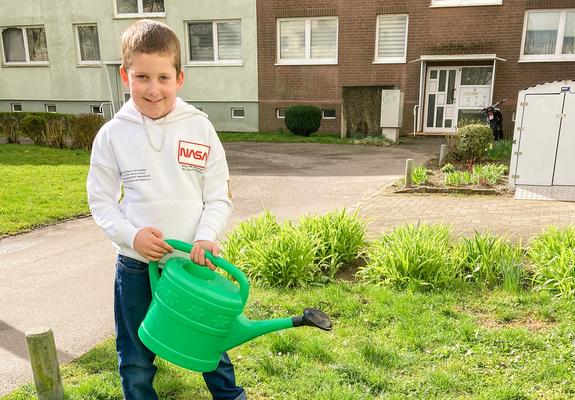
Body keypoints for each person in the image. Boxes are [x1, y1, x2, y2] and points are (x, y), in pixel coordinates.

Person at [87, 19, 246, 400]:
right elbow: (101, 201)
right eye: (142, 76)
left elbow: (218, 196)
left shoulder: (200, 128)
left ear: (179, 78)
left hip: (191, 266)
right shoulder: (112, 134)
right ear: (125, 75)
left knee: (210, 346)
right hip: (136, 266)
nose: (153, 88)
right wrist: (132, 236)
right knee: (135, 356)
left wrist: (206, 237)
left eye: (163, 77)